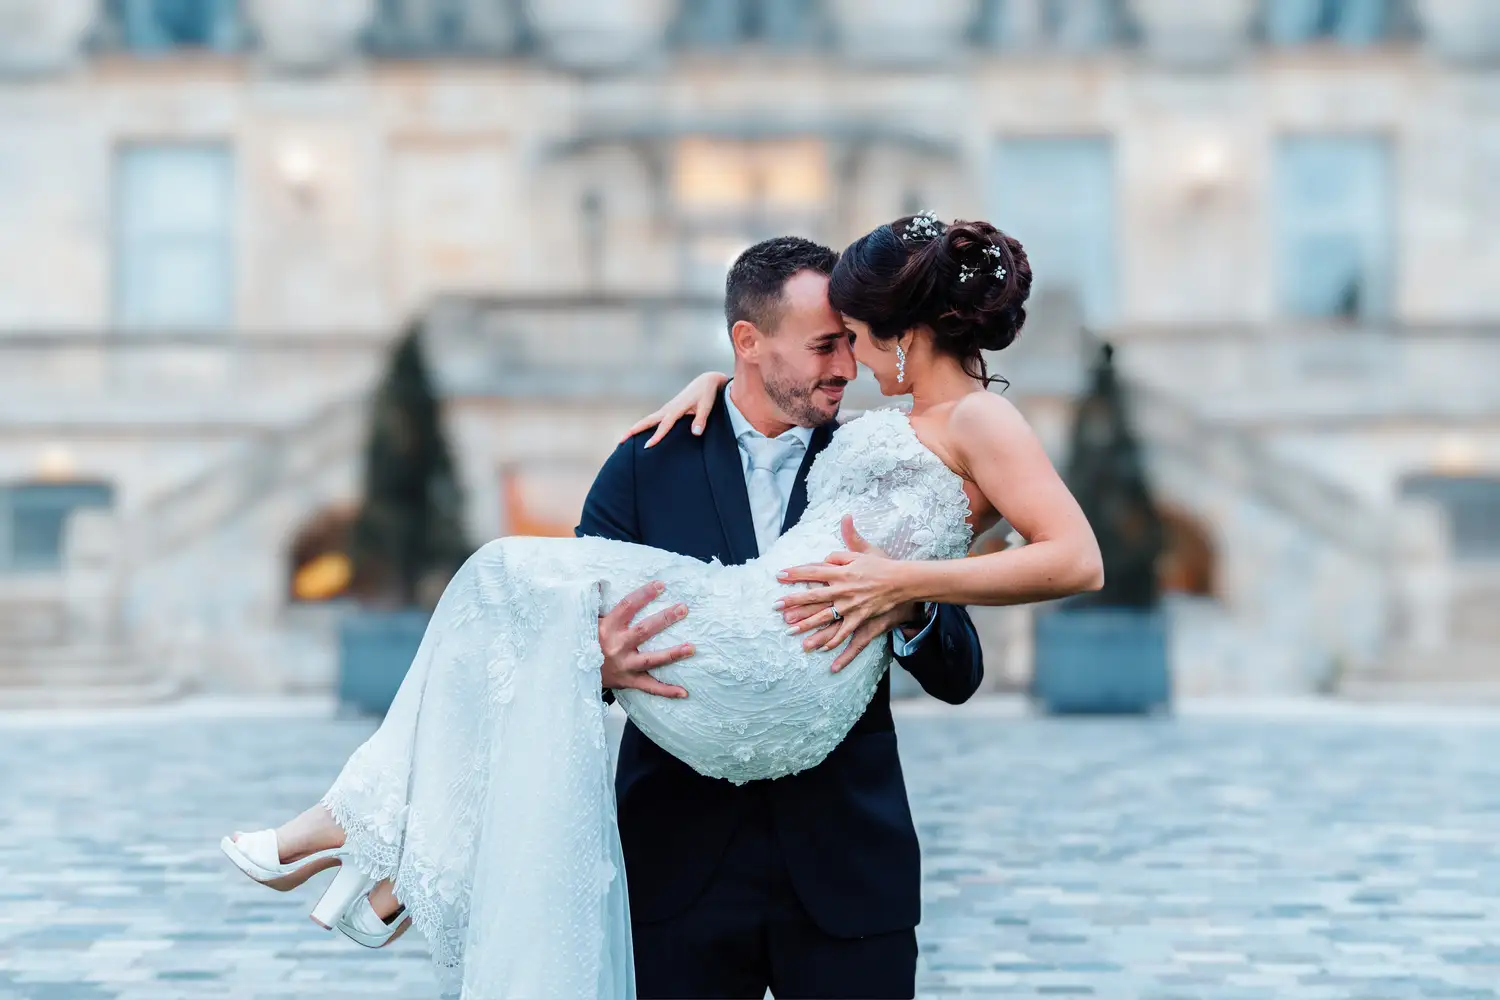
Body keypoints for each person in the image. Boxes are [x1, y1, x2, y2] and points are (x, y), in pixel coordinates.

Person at [219, 215, 1103, 1000]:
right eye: (823, 344)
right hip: (683, 864)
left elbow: (976, 629)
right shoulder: (650, 460)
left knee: (500, 581)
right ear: (749, 344)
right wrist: (597, 660)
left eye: (853, 340)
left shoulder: (883, 436)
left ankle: (378, 854)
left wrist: (902, 595)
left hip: (842, 859)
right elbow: (573, 649)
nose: (847, 364)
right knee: (507, 596)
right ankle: (390, 858)